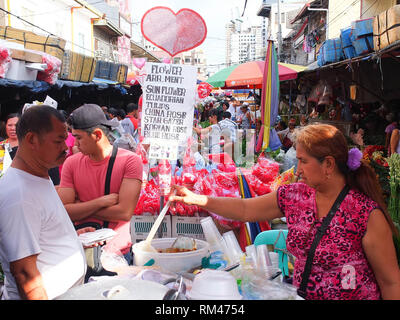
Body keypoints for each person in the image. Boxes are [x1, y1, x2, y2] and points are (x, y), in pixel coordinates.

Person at [170, 123, 400, 300]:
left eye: (303, 161)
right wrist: (198, 199)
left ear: (328, 165)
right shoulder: (295, 196)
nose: (297, 170)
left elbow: (390, 282)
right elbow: (245, 208)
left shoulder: (366, 214)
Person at [0, 105, 87, 300]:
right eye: (58, 141)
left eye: (65, 139)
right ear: (31, 139)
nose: (65, 147)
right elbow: (25, 275)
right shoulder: (18, 195)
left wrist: (68, 236)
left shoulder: (38, 176)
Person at [57, 104, 143, 264]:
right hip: (80, 248)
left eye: (78, 137)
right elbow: (65, 211)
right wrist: (101, 202)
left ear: (97, 135)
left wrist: (81, 207)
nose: (75, 144)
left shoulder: (130, 161)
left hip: (116, 252)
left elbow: (124, 212)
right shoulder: (71, 163)